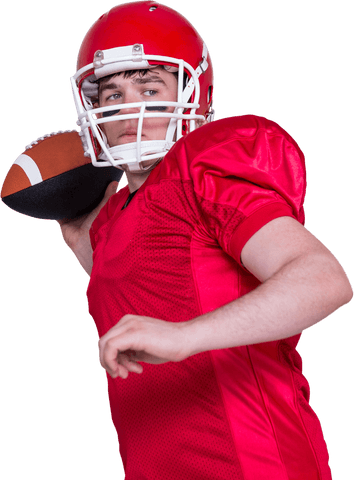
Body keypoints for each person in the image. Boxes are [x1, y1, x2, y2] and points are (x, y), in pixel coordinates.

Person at [57, 1, 352, 479]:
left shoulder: (207, 167)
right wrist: (83, 241)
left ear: (193, 92)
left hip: (251, 462)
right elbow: (158, 286)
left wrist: (185, 336)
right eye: (111, 96)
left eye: (149, 87)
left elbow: (323, 279)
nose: (129, 108)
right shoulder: (111, 219)